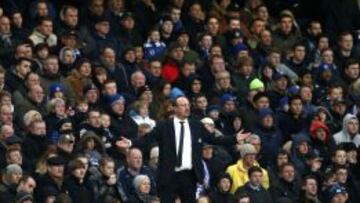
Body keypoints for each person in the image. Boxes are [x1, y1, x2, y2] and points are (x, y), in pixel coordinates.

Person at [119, 96, 248, 202]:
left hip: (189, 175)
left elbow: (214, 139)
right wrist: (130, 143)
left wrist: (235, 138)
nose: (187, 107)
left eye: (188, 105)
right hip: (169, 175)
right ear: (175, 108)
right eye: (182, 105)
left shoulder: (196, 125)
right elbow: (147, 139)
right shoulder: (164, 126)